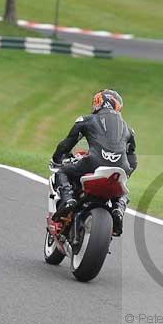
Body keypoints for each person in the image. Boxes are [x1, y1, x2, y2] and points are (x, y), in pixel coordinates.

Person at [51, 89, 137, 236]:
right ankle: (118, 207)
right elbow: (132, 158)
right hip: (120, 168)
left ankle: (68, 200)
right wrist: (127, 173)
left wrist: (57, 159)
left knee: (62, 172)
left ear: (98, 103)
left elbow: (67, 143)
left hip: (93, 163)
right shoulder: (128, 129)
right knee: (122, 189)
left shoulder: (86, 120)